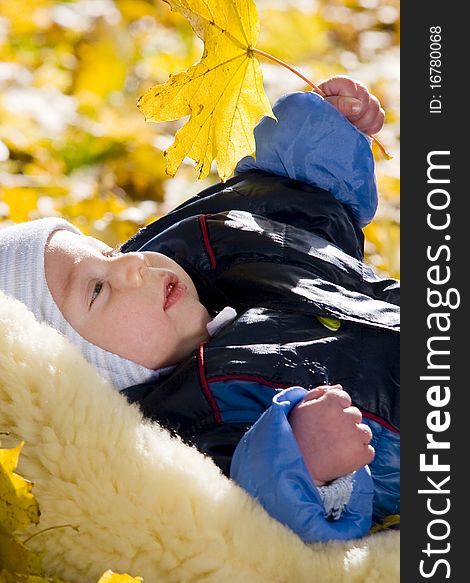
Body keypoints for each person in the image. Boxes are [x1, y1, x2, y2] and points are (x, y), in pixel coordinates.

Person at [0, 76, 399, 543]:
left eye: (106, 252)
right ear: (84, 375)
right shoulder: (180, 433)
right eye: (96, 291)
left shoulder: (216, 254)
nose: (130, 265)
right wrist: (308, 466)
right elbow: (247, 531)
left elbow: (291, 196)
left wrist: (322, 128)